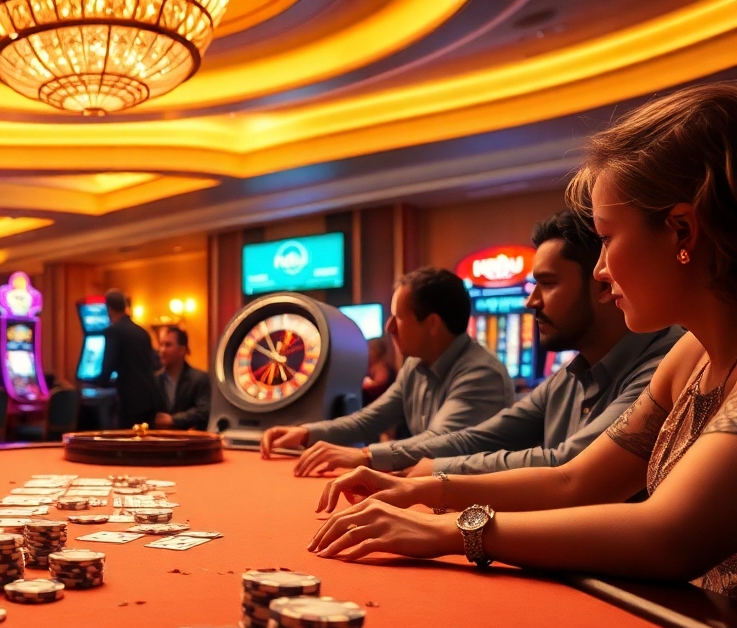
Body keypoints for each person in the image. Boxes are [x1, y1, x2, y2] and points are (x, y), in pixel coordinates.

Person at [310, 82, 737, 597]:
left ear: (682, 232)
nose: (602, 270)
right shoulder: (688, 355)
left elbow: (668, 536)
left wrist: (449, 530)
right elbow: (575, 481)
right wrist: (418, 488)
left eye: (605, 238)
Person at [347, 211, 684, 477]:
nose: (530, 302)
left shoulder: (663, 362)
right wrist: (372, 457)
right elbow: (479, 438)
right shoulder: (570, 375)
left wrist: (438, 472)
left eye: (547, 284)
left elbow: (566, 465)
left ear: (602, 283)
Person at [260, 267, 515, 476]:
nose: (389, 326)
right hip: (435, 492)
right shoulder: (415, 365)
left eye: (398, 317)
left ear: (432, 324)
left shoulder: (481, 373)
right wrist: (307, 432)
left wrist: (365, 456)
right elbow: (369, 420)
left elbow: (442, 442)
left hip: (477, 512)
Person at [97, 289, 162, 429]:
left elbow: (107, 368)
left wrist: (96, 383)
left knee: (127, 442)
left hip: (131, 399)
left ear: (109, 309)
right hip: (151, 396)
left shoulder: (113, 331)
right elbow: (152, 363)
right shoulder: (142, 332)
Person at [153, 326, 210, 430]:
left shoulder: (199, 378)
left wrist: (173, 420)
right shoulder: (154, 380)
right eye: (161, 345)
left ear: (182, 350)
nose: (162, 350)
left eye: (168, 345)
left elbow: (204, 411)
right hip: (160, 441)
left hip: (190, 441)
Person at [361, 337, 397, 406]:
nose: (366, 352)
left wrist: (365, 383)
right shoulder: (372, 367)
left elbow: (378, 386)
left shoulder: (381, 367)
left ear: (377, 351)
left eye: (369, 349)